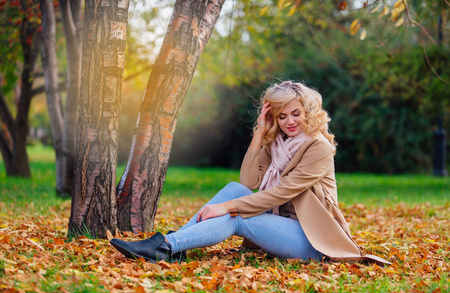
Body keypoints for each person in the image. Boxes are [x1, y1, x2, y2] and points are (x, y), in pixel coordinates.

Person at [110, 80, 390, 266]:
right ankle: (174, 246)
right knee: (233, 189)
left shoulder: (318, 148)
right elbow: (248, 182)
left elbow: (280, 193)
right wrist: (260, 134)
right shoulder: (278, 143)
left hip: (313, 240)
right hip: (280, 226)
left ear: (308, 112)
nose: (289, 121)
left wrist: (228, 207)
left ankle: (165, 246)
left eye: (295, 113)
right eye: (281, 116)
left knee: (235, 217)